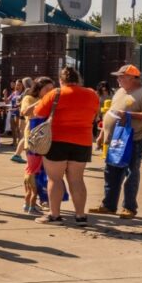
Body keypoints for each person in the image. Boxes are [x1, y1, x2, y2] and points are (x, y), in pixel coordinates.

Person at [34, 67, 100, 225]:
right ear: (78, 79)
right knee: (77, 179)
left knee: (55, 179)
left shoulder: (56, 93)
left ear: (61, 80)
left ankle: (54, 215)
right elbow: (96, 114)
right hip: (83, 141)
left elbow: (38, 112)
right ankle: (80, 216)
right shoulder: (91, 94)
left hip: (57, 140)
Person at [91, 64, 142, 219]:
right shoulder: (120, 91)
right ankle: (108, 205)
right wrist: (102, 134)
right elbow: (112, 112)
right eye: (118, 76)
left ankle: (129, 207)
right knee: (111, 171)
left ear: (133, 78)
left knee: (130, 172)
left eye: (122, 76)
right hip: (116, 139)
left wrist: (128, 114)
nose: (118, 79)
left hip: (134, 139)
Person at [21, 78, 55, 214]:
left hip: (46, 139)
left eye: (51, 89)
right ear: (38, 88)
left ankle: (33, 202)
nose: (49, 92)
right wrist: (43, 101)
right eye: (47, 89)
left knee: (38, 170)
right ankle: (30, 203)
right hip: (34, 139)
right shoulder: (29, 98)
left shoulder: (51, 100)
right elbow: (25, 112)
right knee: (32, 170)